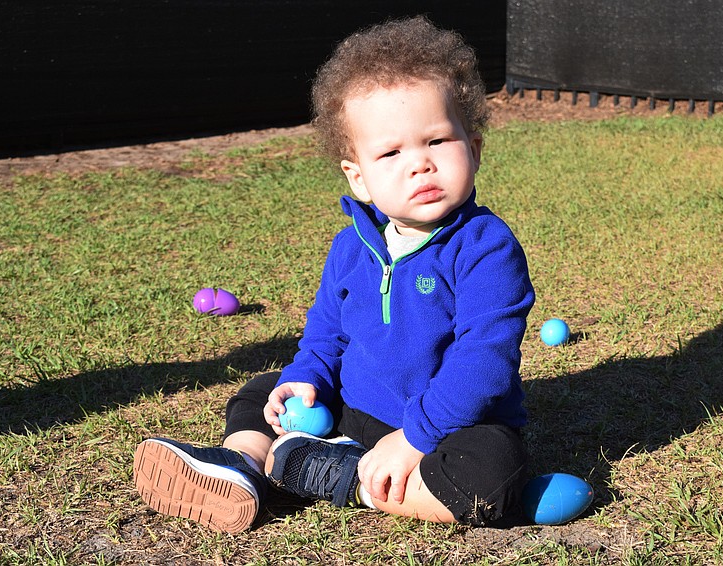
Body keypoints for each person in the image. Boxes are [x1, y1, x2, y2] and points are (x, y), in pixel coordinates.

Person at [133, 15, 534, 533]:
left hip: (449, 427)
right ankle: (242, 464)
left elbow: (484, 359)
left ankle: (336, 475)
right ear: (359, 177)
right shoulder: (352, 245)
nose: (420, 165)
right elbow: (327, 332)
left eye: (437, 141)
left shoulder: (486, 248)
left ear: (473, 149)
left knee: (494, 475)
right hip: (355, 411)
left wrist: (415, 438)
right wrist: (303, 379)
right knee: (262, 391)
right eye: (391, 152)